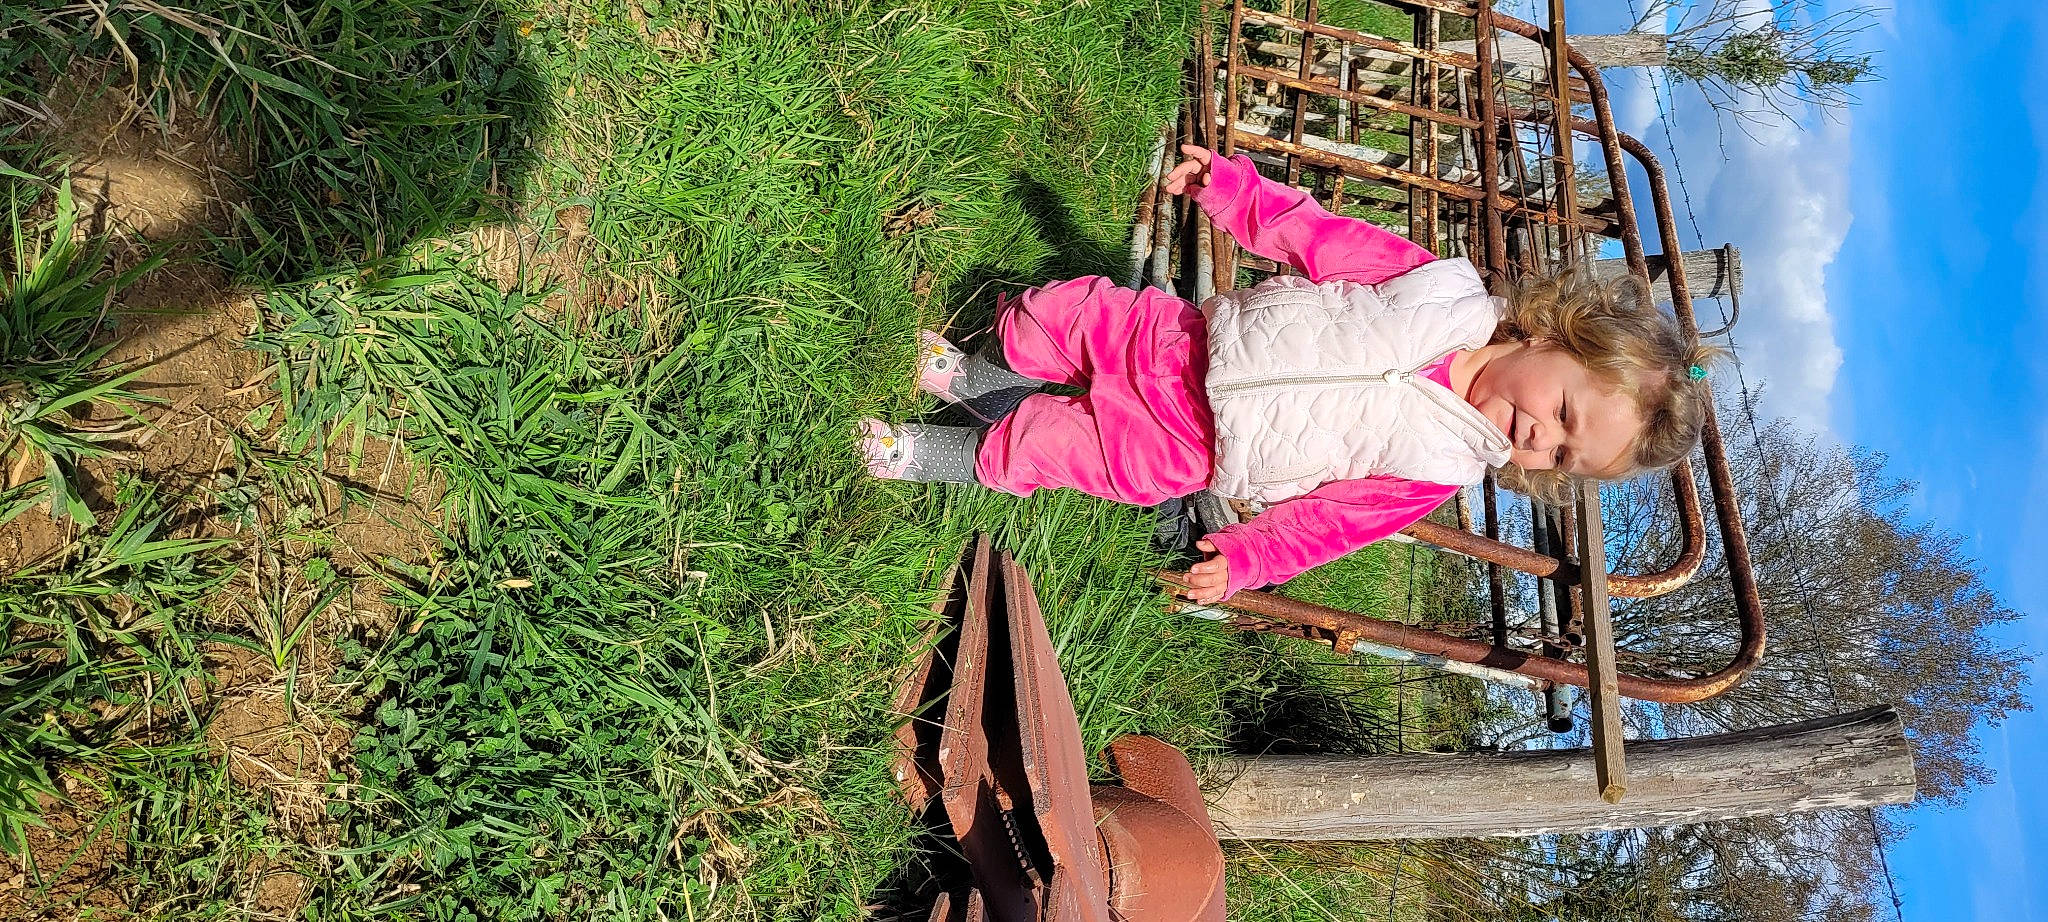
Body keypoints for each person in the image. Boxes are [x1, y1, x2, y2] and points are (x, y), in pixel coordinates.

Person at [859, 145, 1722, 603]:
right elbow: (1315, 236)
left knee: (1053, 449)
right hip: (1184, 341)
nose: (1542, 438)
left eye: (1564, 457)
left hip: (1187, 449)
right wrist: (1231, 192)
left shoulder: (1436, 472)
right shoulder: (1437, 286)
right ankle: (969, 376)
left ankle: (919, 452)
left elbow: (1322, 528)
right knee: (1061, 314)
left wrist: (1242, 560)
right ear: (1555, 334)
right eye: (1565, 410)